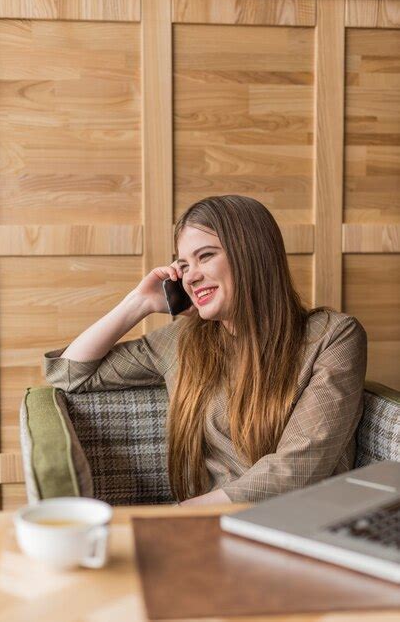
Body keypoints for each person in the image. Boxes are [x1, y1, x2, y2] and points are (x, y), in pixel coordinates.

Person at [44, 195, 367, 506]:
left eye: (206, 256)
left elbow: (300, 466)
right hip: (213, 524)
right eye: (183, 265)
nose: (191, 276)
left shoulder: (333, 336)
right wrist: (138, 303)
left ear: (253, 254)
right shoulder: (181, 341)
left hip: (300, 524)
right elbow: (69, 374)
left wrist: (183, 515)